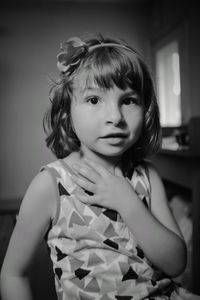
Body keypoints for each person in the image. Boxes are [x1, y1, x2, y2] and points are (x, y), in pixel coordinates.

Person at [0, 34, 199, 300]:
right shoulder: (51, 185)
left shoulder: (146, 175)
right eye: (94, 100)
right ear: (66, 111)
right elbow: (13, 274)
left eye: (128, 100)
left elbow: (176, 264)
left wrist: (128, 202)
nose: (115, 117)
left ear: (146, 108)